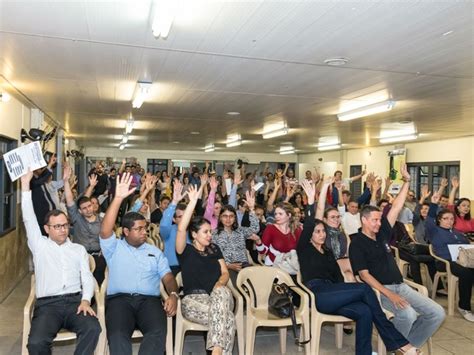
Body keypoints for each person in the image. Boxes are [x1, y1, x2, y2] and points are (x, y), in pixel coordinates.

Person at [297, 180, 420, 355]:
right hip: (316, 295)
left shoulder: (328, 252)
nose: (322, 234)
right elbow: (314, 218)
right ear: (309, 235)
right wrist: (317, 194)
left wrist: (349, 285)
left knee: (365, 311)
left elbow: (338, 278)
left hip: (333, 293)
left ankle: (365, 353)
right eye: (317, 232)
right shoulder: (304, 248)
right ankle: (397, 342)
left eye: (323, 231)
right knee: (363, 289)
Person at [349, 163, 445, 348]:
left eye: (379, 219)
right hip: (380, 290)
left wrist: (407, 181)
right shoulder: (357, 243)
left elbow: (396, 207)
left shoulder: (382, 232)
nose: (379, 223)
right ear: (364, 220)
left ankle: (405, 347)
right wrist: (389, 295)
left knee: (437, 313)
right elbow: (364, 275)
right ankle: (399, 346)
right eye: (375, 220)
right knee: (407, 314)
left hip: (402, 286)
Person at [21, 169, 101, 355]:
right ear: (47, 229)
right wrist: (25, 186)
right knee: (36, 343)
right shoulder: (39, 245)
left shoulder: (78, 249)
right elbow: (28, 219)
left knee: (93, 328)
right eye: (57, 226)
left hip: (75, 303)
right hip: (48, 306)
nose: (63, 230)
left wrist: (86, 300)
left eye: (65, 225)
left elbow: (87, 277)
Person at [99, 172, 178, 355]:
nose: (145, 232)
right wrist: (118, 198)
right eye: (139, 229)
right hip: (119, 301)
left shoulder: (155, 252)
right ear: (125, 231)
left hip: (149, 301)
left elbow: (168, 278)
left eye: (145, 228)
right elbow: (105, 230)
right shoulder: (114, 248)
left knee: (158, 332)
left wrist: (173, 294)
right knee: (118, 335)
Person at [176, 183, 235, 355]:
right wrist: (192, 203)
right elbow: (181, 228)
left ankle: (215, 352)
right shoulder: (185, 251)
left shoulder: (215, 249)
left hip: (217, 298)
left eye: (210, 231)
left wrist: (218, 285)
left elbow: (225, 273)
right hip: (193, 301)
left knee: (222, 292)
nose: (210, 235)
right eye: (205, 232)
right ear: (194, 234)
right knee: (228, 318)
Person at [425, 192, 474, 322]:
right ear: (439, 220)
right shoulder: (434, 231)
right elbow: (429, 220)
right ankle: (464, 307)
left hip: (462, 261)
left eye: (451, 219)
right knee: (466, 273)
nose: (449, 221)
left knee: (469, 271)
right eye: (446, 218)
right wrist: (434, 204)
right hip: (444, 262)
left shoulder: (458, 233)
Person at [63, 166, 106, 285]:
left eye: (89, 206)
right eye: (84, 208)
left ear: (93, 206)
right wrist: (66, 181)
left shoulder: (102, 220)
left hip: (98, 257)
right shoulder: (77, 219)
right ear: (80, 211)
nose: (88, 210)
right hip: (80, 256)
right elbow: (70, 200)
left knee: (99, 284)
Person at [212, 191, 260, 285]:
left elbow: (255, 229)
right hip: (226, 269)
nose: (228, 219)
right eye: (225, 216)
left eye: (231, 216)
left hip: (244, 267)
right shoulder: (214, 234)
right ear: (220, 218)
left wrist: (251, 209)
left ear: (235, 218)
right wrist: (228, 265)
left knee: (258, 286)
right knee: (239, 288)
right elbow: (213, 257)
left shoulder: (240, 231)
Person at [256, 201, 302, 267]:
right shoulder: (270, 229)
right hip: (273, 266)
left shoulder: (297, 230)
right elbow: (263, 252)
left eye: (280, 214)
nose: (277, 216)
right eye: (275, 214)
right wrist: (258, 241)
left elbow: (301, 250)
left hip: (291, 266)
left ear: (289, 215)